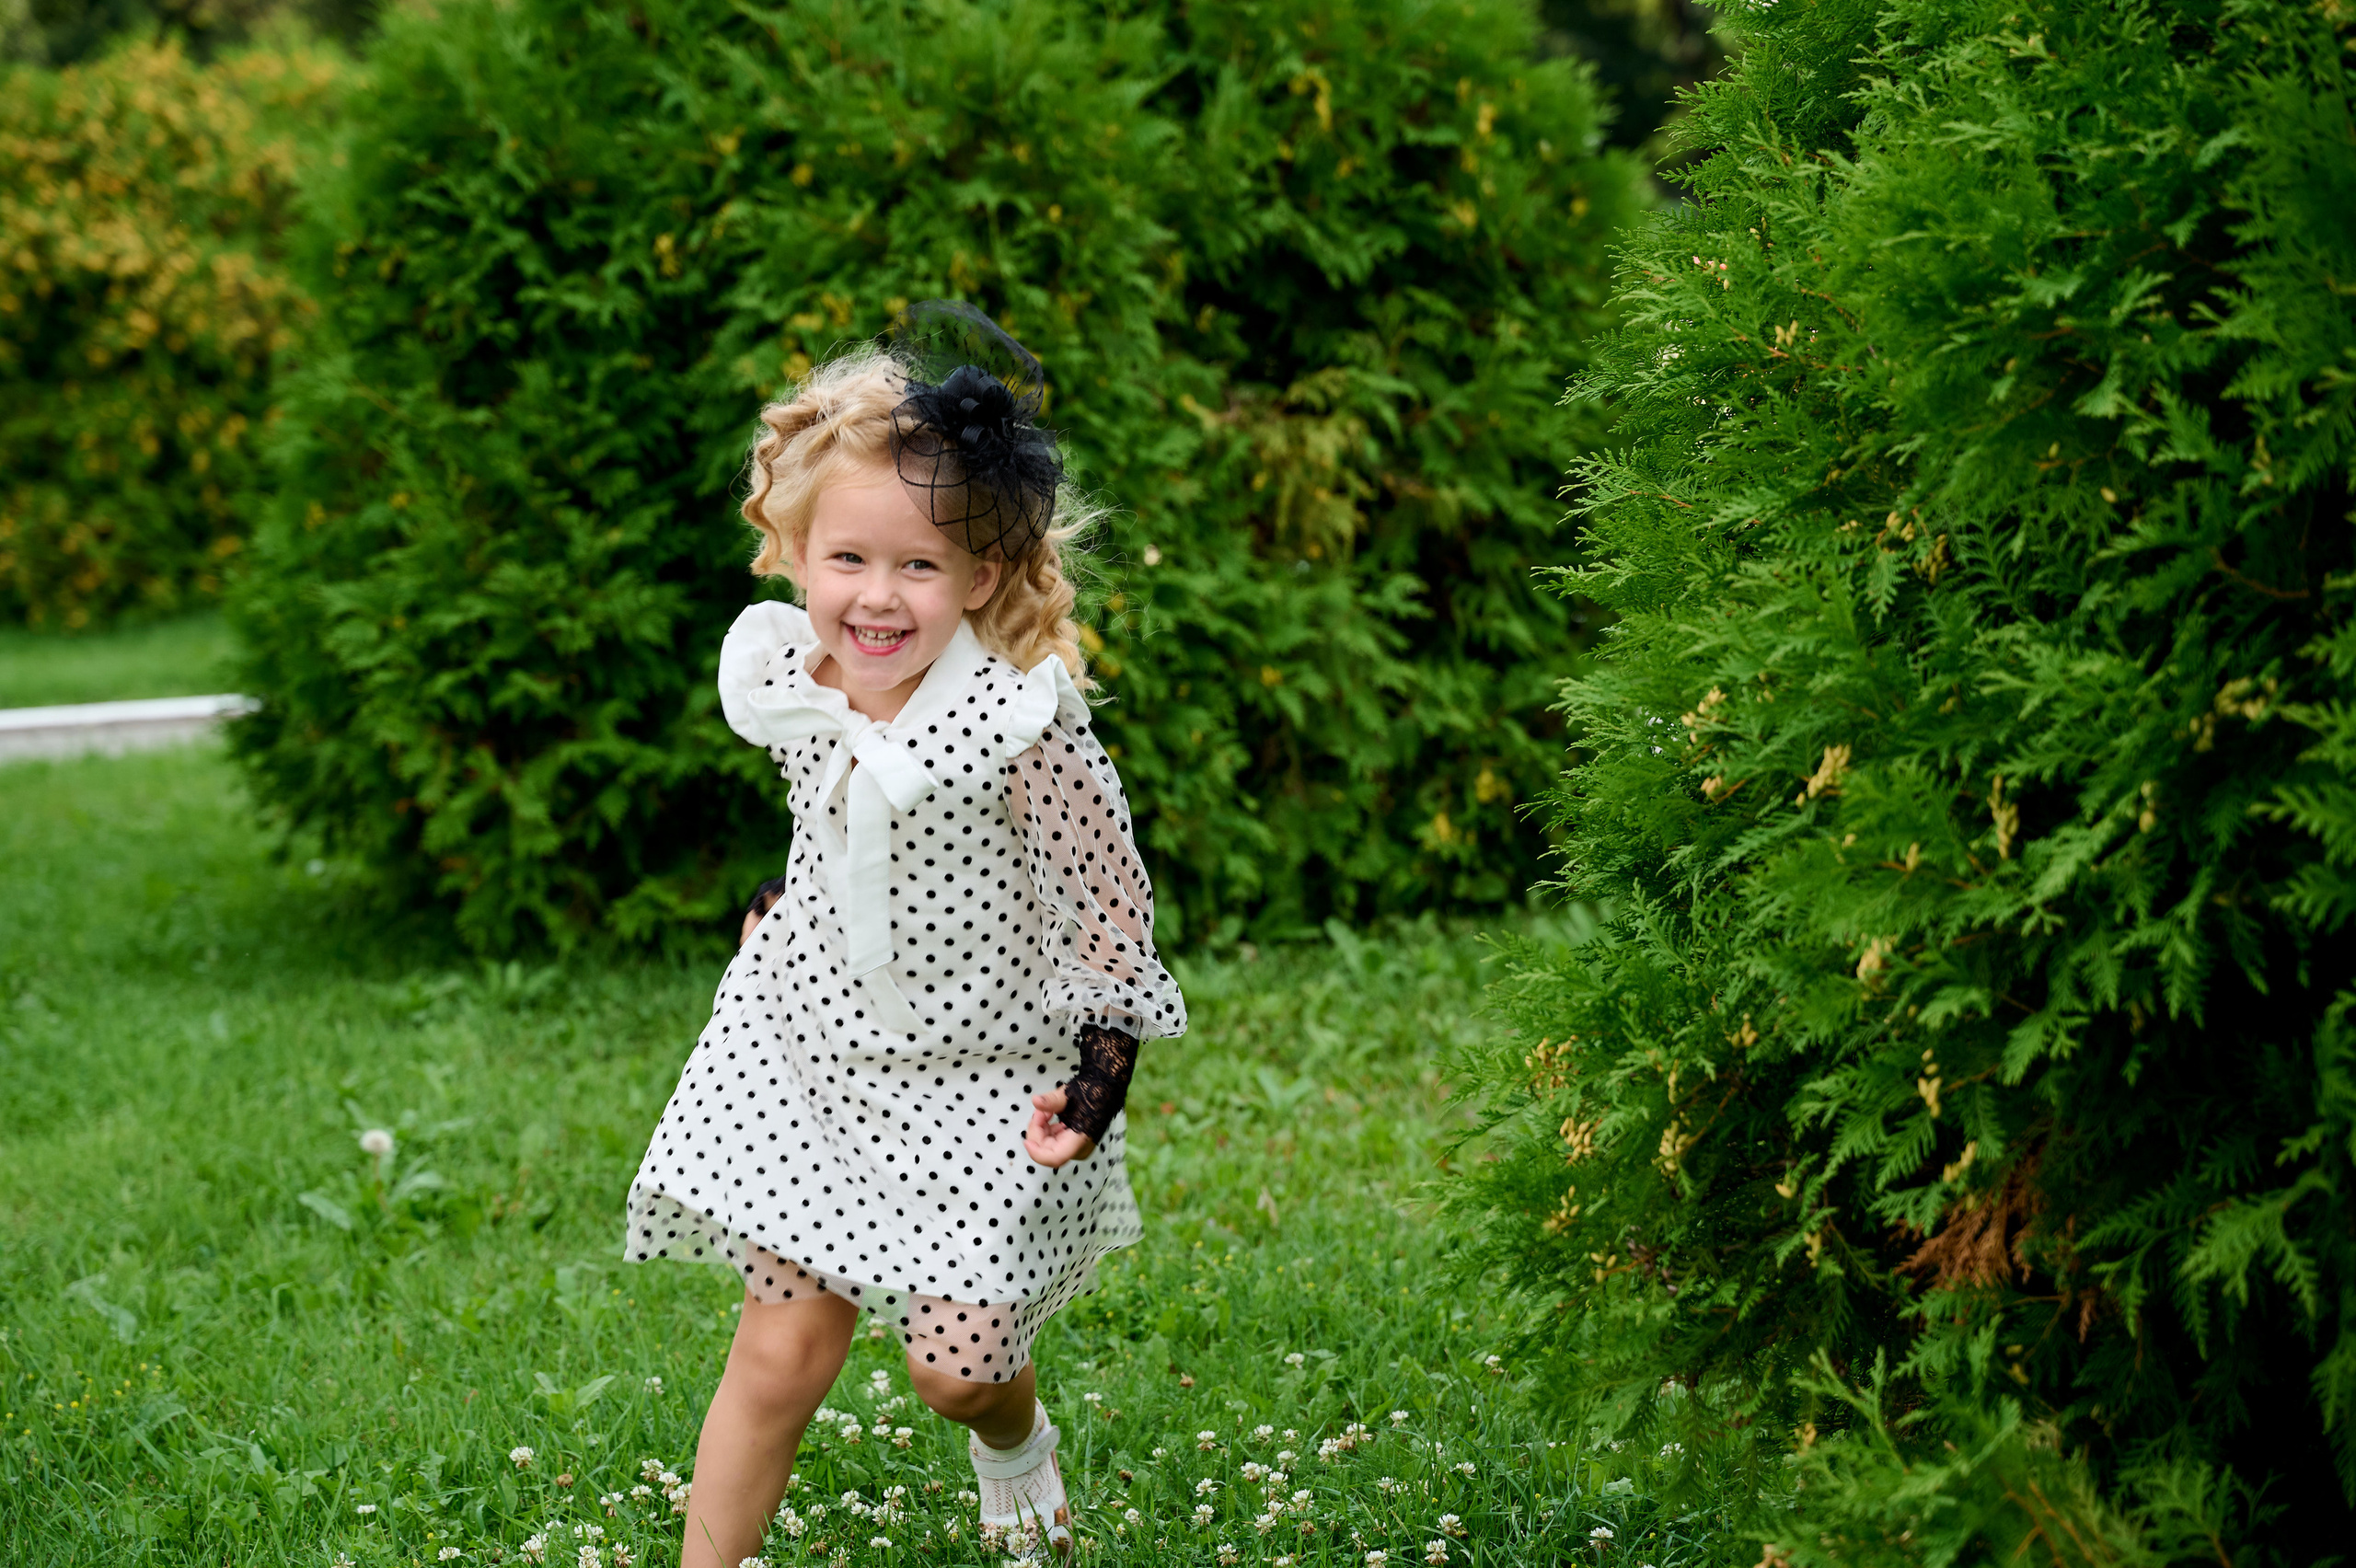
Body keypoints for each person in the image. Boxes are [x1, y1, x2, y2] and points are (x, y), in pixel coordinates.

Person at [623, 304, 1185, 1568]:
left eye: (919, 567)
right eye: (848, 559)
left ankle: (1014, 1442)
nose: (877, 597)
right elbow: (833, 827)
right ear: (796, 553)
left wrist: (1101, 1075)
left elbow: (1110, 913)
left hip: (988, 1075)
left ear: (980, 578)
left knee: (957, 1366)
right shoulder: (794, 679)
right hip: (811, 1049)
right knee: (781, 1349)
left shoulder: (1020, 727)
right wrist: (783, 906)